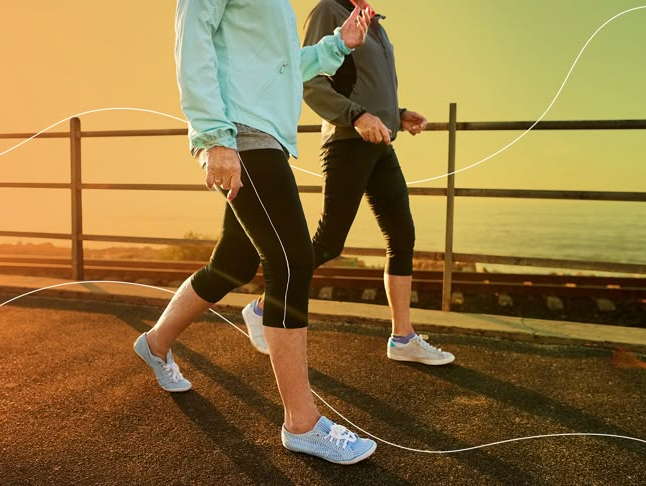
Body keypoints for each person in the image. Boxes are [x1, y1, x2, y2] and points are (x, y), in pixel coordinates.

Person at [133, 0, 377, 465]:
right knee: (291, 261)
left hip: (265, 135)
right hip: (241, 133)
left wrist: (336, 46)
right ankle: (302, 424)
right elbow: (193, 42)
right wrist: (214, 136)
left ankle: (155, 343)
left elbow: (283, 65)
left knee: (234, 262)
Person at [242, 0, 455, 366]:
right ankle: (263, 308)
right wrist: (356, 116)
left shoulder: (374, 21)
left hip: (380, 142)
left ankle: (402, 337)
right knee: (329, 242)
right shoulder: (328, 10)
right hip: (346, 142)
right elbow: (306, 78)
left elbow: (365, 81)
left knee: (402, 236)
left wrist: (397, 114)